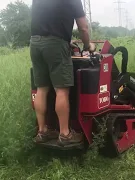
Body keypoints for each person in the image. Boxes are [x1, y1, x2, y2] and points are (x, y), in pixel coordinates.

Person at [30, 0, 95, 146]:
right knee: (62, 90)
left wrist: (67, 40)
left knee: (41, 88)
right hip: (55, 45)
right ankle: (65, 134)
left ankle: (43, 131)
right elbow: (83, 28)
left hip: (35, 44)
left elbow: (47, 20)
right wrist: (87, 45)